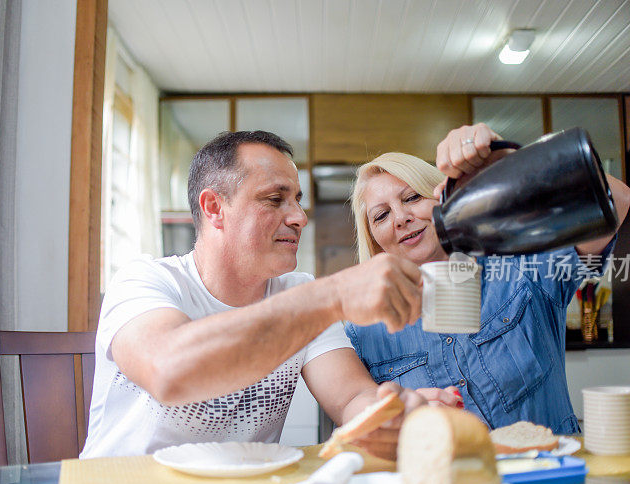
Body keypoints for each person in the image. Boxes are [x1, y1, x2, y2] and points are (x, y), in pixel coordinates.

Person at [80, 130, 459, 462]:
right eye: (275, 199)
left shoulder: (300, 292)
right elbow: (168, 370)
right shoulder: (145, 281)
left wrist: (388, 414)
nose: (299, 217)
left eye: (296, 199)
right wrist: (334, 295)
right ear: (214, 208)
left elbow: (349, 399)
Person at [345, 123, 630, 434]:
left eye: (412, 197)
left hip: (548, 474)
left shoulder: (520, 267)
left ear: (441, 197)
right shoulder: (363, 331)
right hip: (444, 480)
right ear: (374, 239)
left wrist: (512, 165)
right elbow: (358, 420)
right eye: (382, 215)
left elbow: (617, 198)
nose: (401, 218)